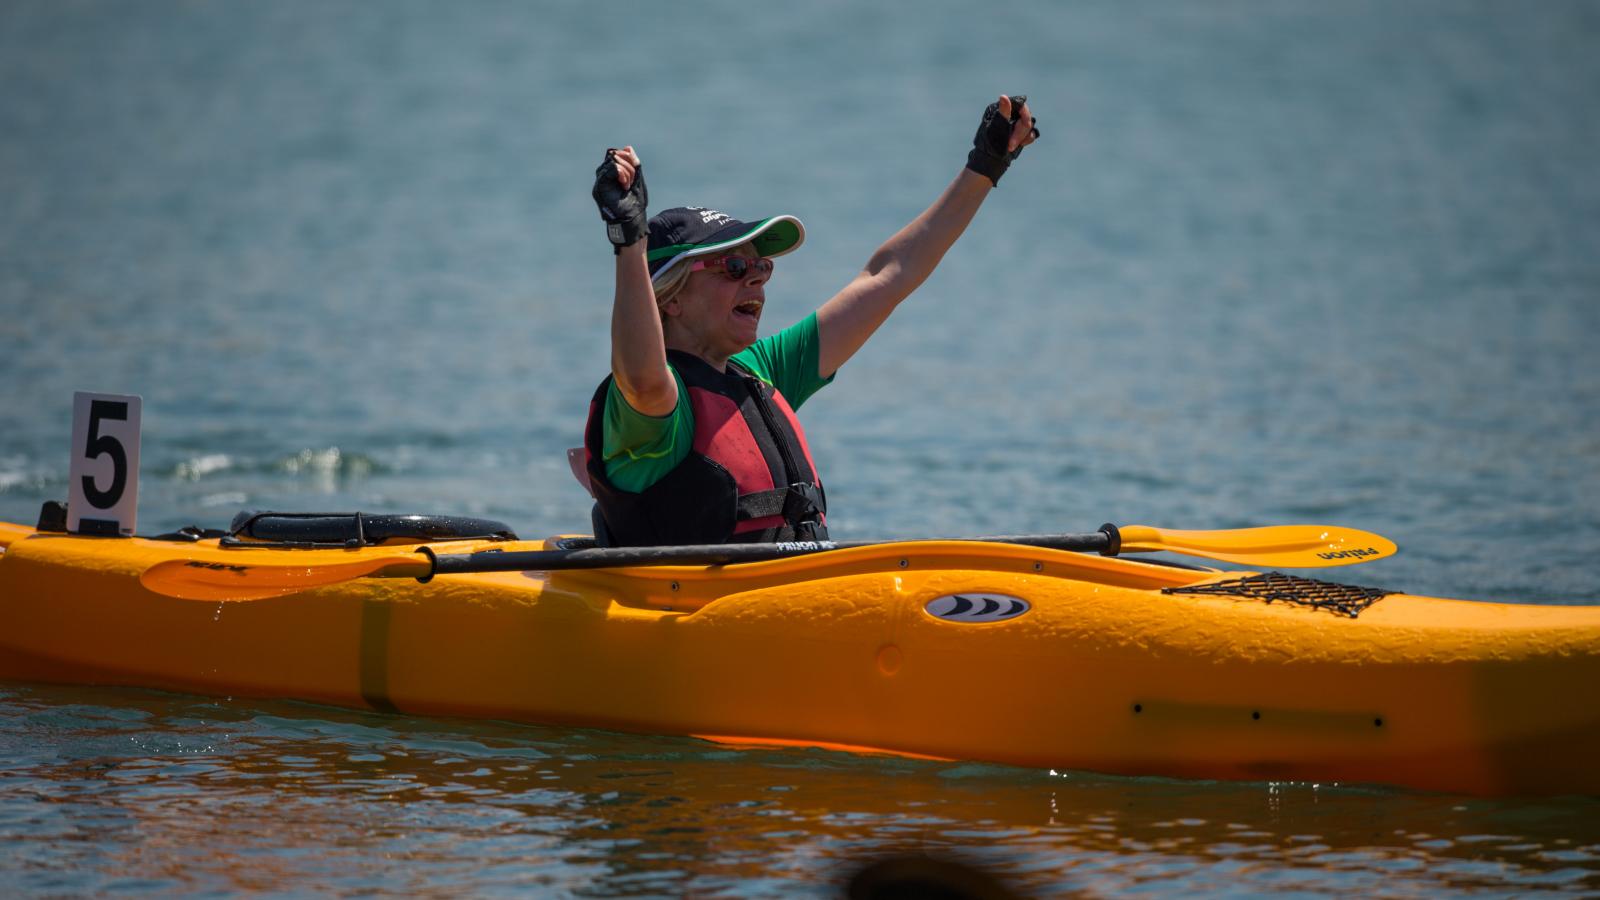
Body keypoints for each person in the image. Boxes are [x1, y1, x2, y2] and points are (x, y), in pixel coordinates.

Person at [582, 95, 1039, 547]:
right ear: (672, 299)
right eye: (735, 269)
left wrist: (985, 166)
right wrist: (630, 242)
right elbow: (642, 378)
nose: (756, 283)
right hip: (692, 605)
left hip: (785, 594)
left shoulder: (763, 371)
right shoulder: (651, 405)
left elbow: (887, 278)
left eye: (762, 268)